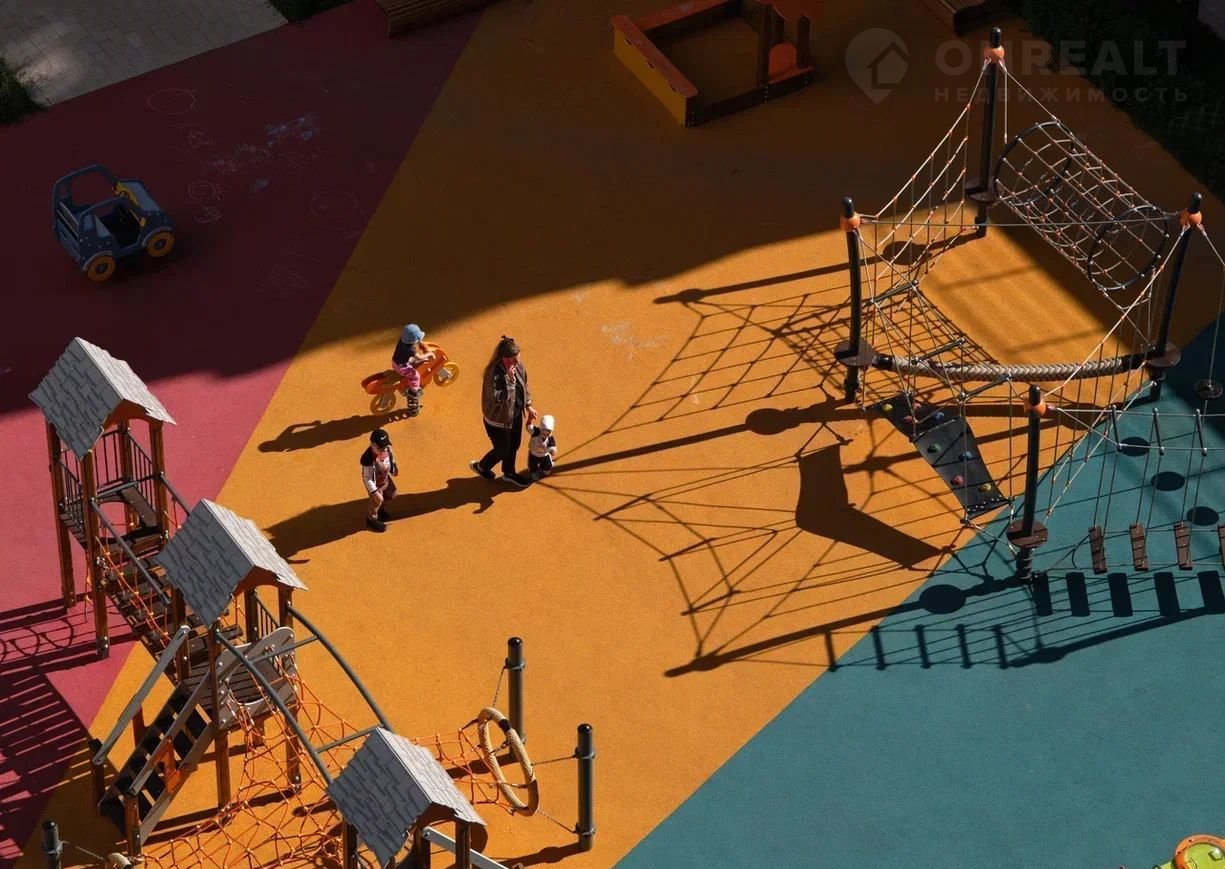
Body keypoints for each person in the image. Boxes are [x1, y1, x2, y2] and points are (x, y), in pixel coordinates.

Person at [470, 336, 537, 487]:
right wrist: (510, 382)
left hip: (515, 414)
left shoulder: (517, 366)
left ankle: (509, 473)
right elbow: (498, 398)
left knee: (514, 445)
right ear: (504, 359)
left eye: (518, 359)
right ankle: (482, 467)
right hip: (498, 420)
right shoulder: (493, 374)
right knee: (502, 450)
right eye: (514, 360)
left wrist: (528, 405)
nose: (518, 363)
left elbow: (524, 386)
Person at [391, 324, 435, 416]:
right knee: (415, 376)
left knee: (413, 362)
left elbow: (417, 342)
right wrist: (430, 354)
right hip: (402, 367)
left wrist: (420, 342)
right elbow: (419, 357)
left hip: (395, 362)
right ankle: (413, 391)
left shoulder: (402, 340)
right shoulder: (410, 350)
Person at [360, 428, 398, 532]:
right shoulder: (368, 460)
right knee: (376, 501)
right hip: (375, 484)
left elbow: (391, 459)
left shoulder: (387, 450)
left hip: (385, 479)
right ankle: (371, 519)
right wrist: (375, 492)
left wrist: (394, 468)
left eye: (386, 446)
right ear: (372, 445)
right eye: (381, 448)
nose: (384, 450)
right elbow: (367, 478)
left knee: (392, 494)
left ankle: (381, 509)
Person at [526, 414, 558, 480]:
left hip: (544, 455)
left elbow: (552, 446)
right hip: (534, 454)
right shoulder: (535, 432)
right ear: (540, 428)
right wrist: (529, 419)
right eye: (543, 433)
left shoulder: (550, 438)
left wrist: (553, 451)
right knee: (532, 466)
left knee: (547, 467)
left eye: (548, 433)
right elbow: (529, 427)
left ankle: (546, 469)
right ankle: (534, 472)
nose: (546, 435)